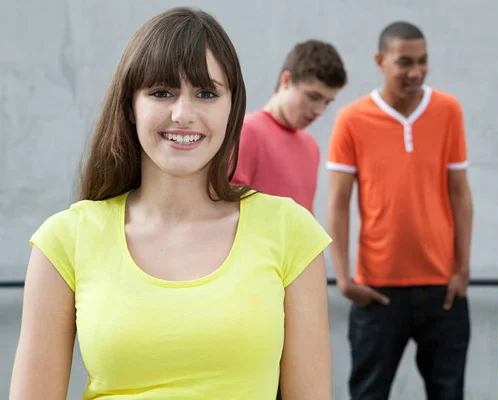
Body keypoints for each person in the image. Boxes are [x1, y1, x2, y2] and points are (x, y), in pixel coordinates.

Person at [9, 7, 333, 400]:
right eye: (161, 92)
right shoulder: (64, 240)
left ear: (233, 108)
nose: (183, 114)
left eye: (207, 93)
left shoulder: (291, 231)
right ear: (130, 106)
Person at [326, 21, 473, 399]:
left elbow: (460, 194)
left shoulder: (448, 110)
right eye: (405, 62)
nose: (416, 72)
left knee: (449, 393)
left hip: (443, 289)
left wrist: (462, 269)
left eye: (423, 61)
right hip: (377, 290)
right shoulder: (352, 119)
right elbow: (338, 204)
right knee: (367, 393)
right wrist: (343, 278)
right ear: (380, 61)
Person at [231, 39, 347, 214]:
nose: (319, 110)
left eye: (327, 102)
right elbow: (226, 213)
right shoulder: (246, 133)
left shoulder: (311, 146)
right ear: (286, 80)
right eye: (313, 97)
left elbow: (305, 222)